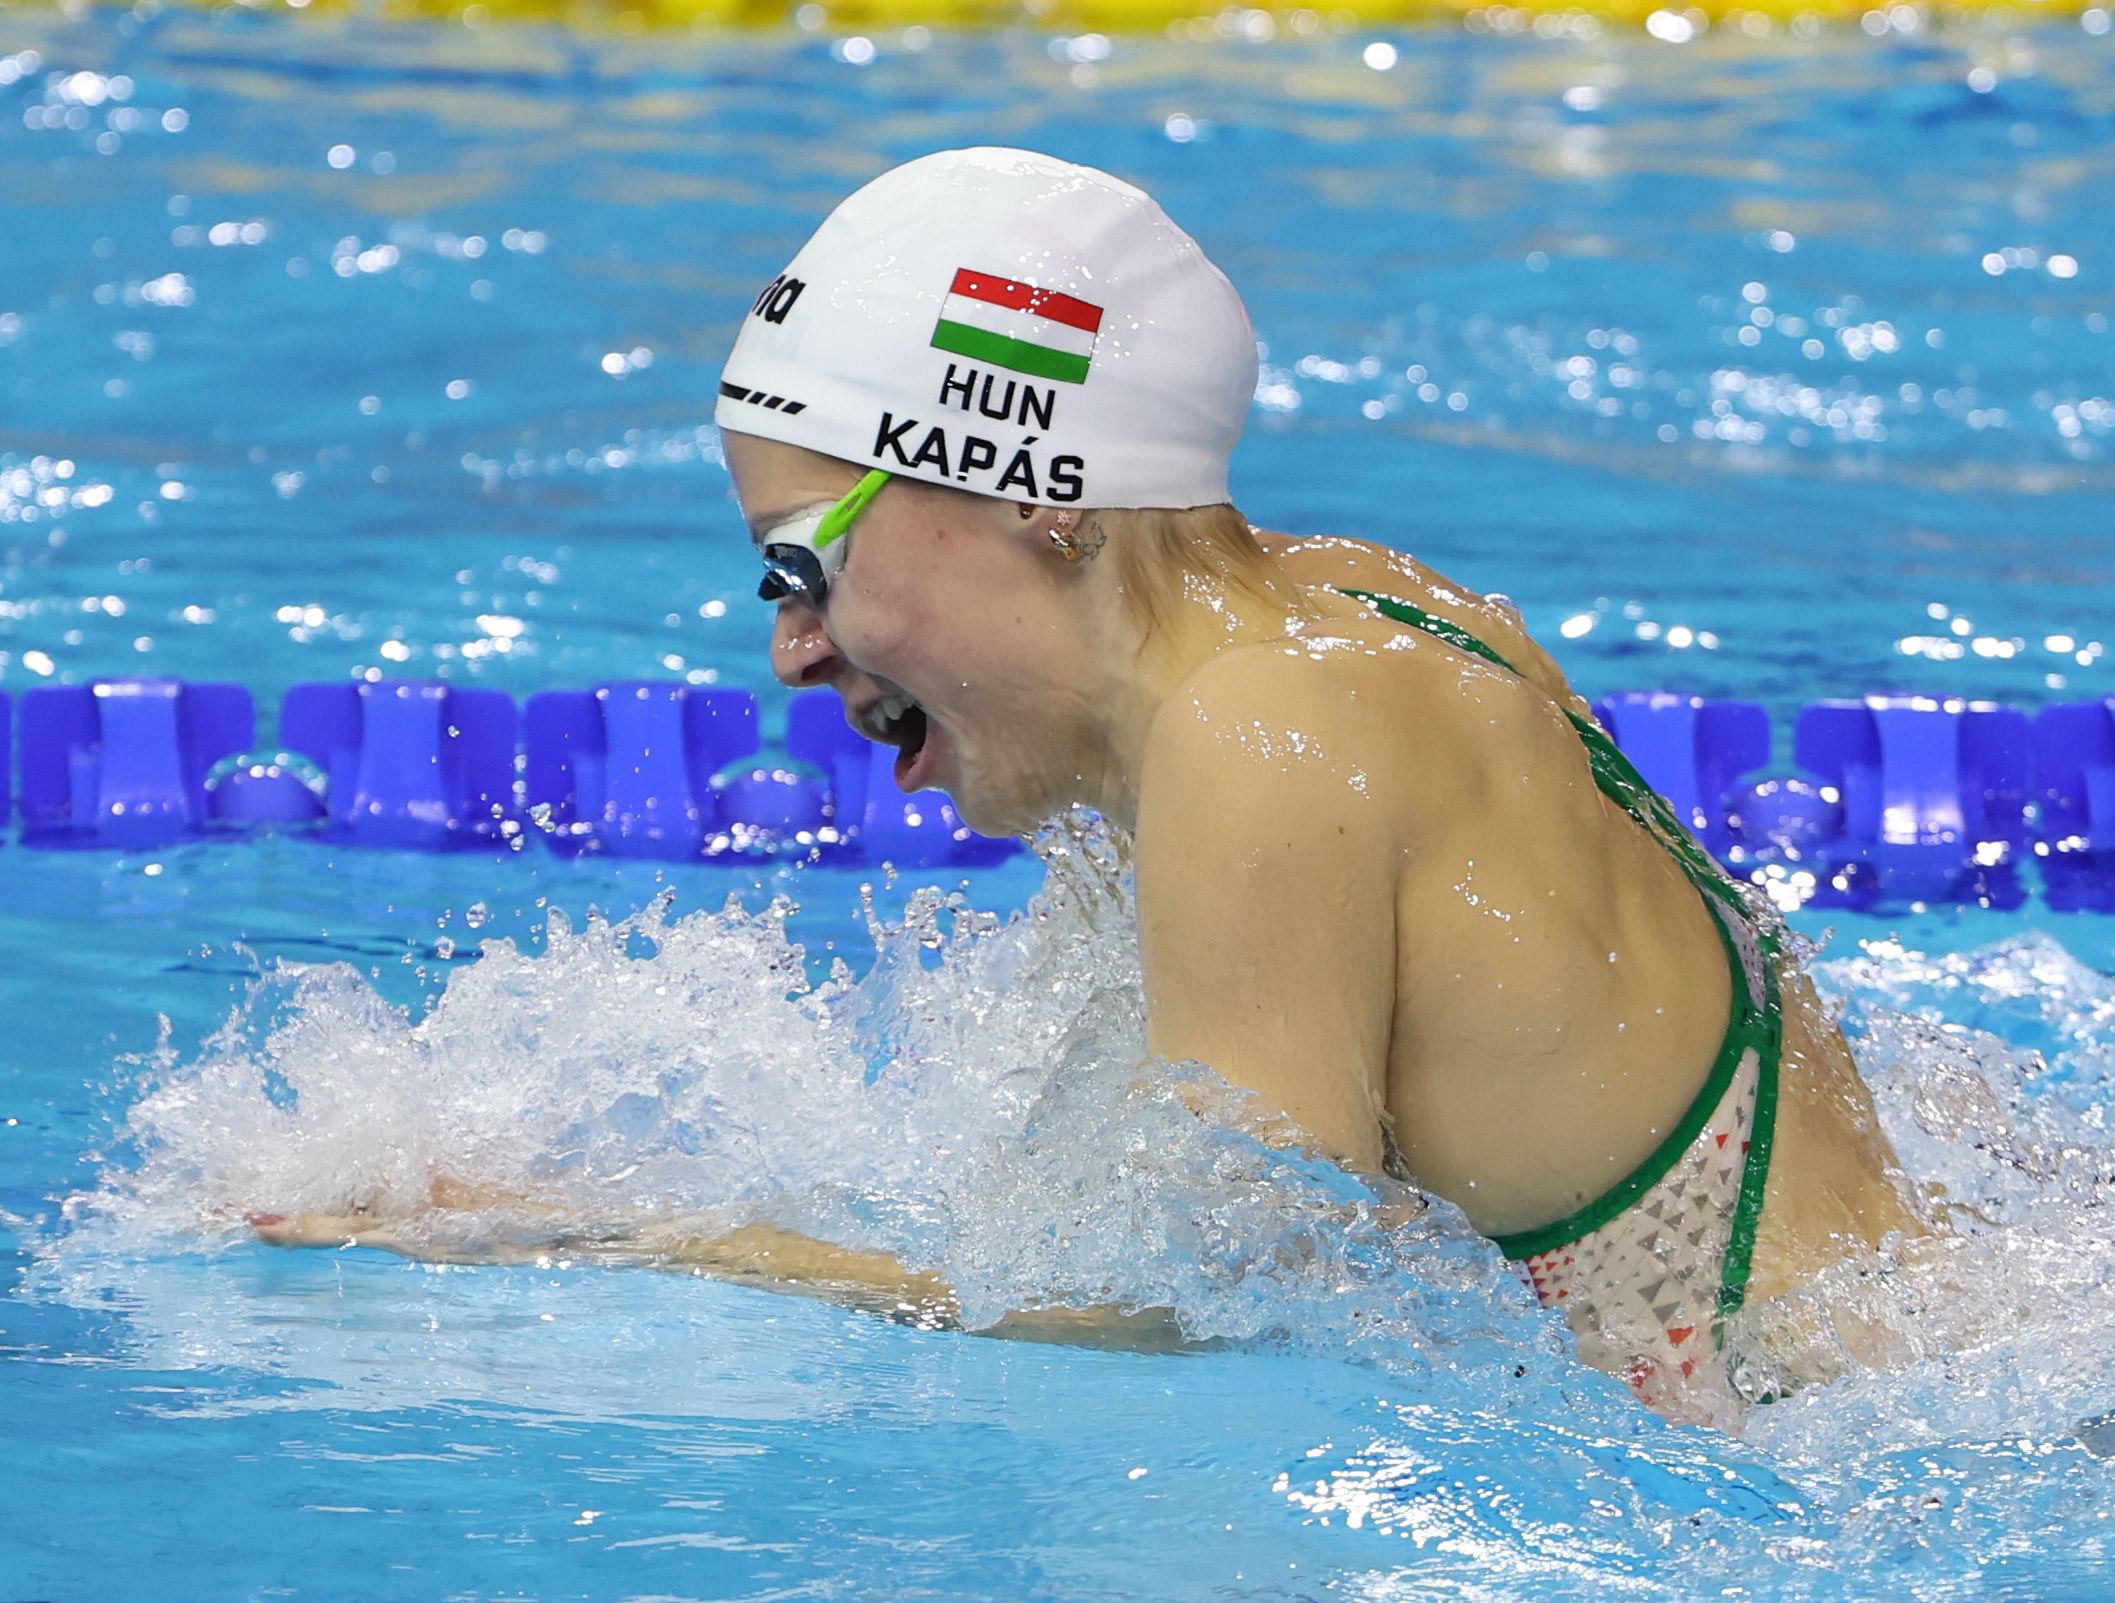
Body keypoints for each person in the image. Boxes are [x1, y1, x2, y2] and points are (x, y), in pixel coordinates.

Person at [258, 147, 1925, 1426]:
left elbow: (1202, 1304)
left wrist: (627, 1242)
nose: (793, 651)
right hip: (1898, 1374)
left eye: (800, 565)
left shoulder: (1256, 736)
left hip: (1811, 1478)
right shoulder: (1362, 609)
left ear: (1032, 495)